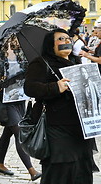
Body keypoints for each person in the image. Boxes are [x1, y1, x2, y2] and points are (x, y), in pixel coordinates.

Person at [24, 28, 99, 184]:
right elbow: (29, 88)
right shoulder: (40, 62)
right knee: (60, 171)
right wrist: (54, 87)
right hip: (56, 127)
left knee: (81, 170)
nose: (66, 41)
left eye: (68, 39)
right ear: (50, 45)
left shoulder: (75, 61)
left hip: (80, 127)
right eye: (61, 39)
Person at [0, 87, 41, 181]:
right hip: (7, 105)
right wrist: (0, 84)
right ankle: (31, 170)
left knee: (7, 133)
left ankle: (0, 164)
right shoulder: (0, 71)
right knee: (19, 134)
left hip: (20, 102)